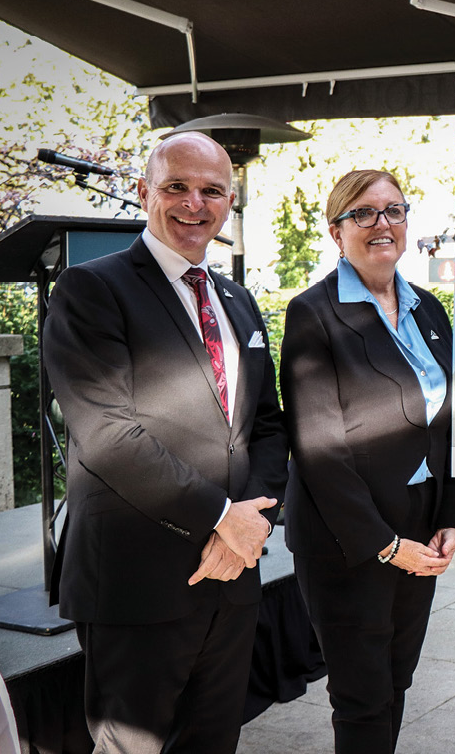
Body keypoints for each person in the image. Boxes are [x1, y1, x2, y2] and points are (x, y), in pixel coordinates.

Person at [42, 132, 288, 753]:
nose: (193, 204)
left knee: (212, 742)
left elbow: (264, 425)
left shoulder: (236, 299)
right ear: (145, 191)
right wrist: (221, 517)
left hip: (232, 572)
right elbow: (107, 435)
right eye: (176, 186)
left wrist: (251, 524)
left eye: (211, 191)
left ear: (229, 202)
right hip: (136, 577)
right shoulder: (91, 289)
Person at [281, 169, 455, 752]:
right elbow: (318, 445)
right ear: (337, 232)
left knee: (396, 680)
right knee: (362, 697)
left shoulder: (429, 309)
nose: (381, 224)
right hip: (349, 538)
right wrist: (386, 545)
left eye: (393, 210)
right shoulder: (314, 314)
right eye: (363, 214)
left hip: (420, 522)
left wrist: (451, 516)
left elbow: (453, 419)